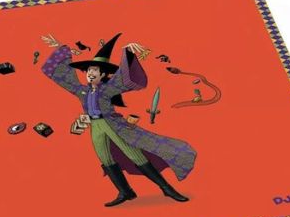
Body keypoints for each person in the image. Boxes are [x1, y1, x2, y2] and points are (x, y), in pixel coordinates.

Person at [42, 33, 196, 207]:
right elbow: (63, 76)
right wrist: (60, 49)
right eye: (89, 71)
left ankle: (166, 188)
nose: (91, 74)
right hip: (95, 126)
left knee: (134, 154)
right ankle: (126, 191)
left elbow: (124, 78)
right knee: (104, 158)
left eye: (95, 71)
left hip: (113, 124)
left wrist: (128, 52)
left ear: (102, 75)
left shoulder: (108, 89)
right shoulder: (81, 90)